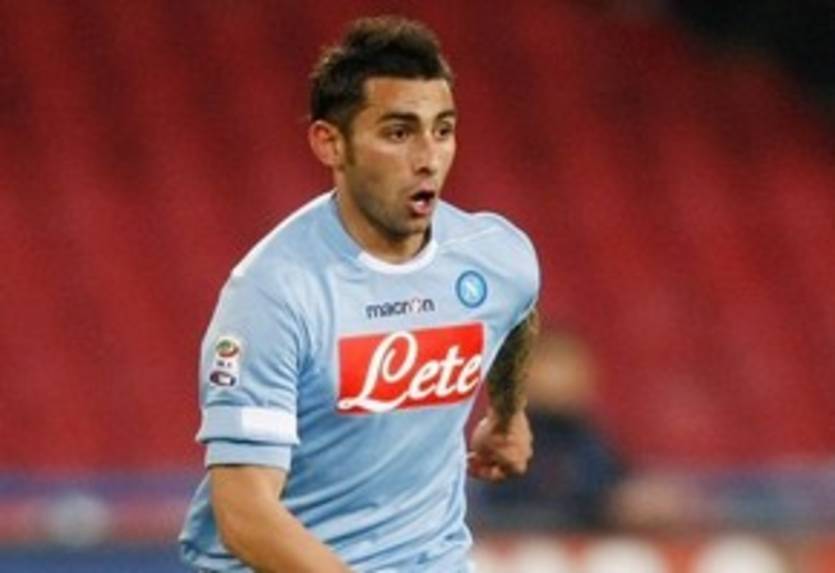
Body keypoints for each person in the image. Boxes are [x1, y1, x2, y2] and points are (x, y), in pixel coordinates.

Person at [178, 16, 540, 573]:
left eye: (442, 130)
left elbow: (517, 313)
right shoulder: (273, 295)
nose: (429, 157)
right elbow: (246, 514)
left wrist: (509, 413)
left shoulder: (493, 256)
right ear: (331, 143)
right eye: (398, 133)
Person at [468, 326, 626, 531]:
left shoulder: (587, 439)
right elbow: (484, 504)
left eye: (570, 366)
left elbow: (609, 490)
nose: (561, 377)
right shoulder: (496, 435)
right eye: (552, 364)